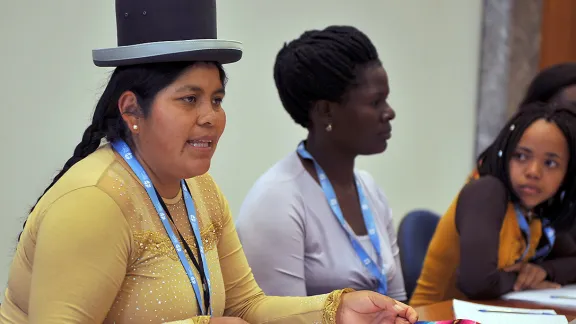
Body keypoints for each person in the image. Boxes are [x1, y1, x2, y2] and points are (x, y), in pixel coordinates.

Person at [0, 2, 418, 324]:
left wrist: (336, 310)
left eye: (216, 99)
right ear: (132, 110)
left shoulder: (199, 188)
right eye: (189, 99)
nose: (210, 116)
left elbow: (246, 304)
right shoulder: (94, 202)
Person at [235, 26, 407, 302]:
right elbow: (283, 322)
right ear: (326, 110)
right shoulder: (276, 200)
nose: (389, 112)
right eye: (376, 102)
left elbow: (399, 302)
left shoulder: (370, 190)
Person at [409, 101, 576, 307]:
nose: (533, 171)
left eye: (550, 163)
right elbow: (477, 283)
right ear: (504, 155)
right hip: (433, 317)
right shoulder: (487, 192)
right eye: (521, 156)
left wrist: (544, 271)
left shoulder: (533, 209)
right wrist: (524, 281)